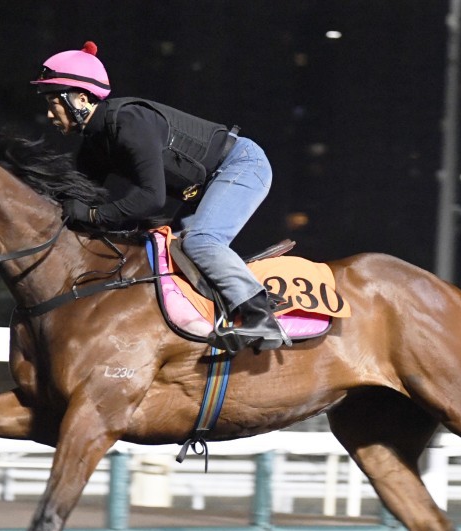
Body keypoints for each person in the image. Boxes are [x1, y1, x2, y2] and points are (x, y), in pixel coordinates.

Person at [31, 41, 290, 353]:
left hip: (241, 165)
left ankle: (260, 316)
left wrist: (93, 215)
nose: (49, 114)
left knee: (201, 242)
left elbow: (150, 199)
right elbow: (75, 198)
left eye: (53, 103)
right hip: (205, 186)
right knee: (162, 252)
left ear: (80, 99)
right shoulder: (95, 145)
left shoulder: (129, 123)